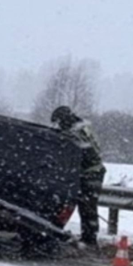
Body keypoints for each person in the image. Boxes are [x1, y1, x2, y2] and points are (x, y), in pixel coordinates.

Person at [51, 106, 107, 247]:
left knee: (86, 206)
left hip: (90, 173)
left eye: (57, 123)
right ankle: (88, 236)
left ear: (63, 120)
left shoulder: (75, 133)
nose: (57, 126)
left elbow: (76, 155)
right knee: (85, 205)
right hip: (91, 171)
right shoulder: (81, 129)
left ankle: (89, 238)